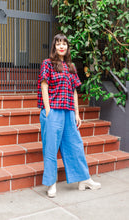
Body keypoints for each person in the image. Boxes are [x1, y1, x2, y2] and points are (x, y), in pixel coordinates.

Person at [37, 34, 101, 198]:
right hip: (53, 111)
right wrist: (48, 110)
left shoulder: (71, 66)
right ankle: (51, 184)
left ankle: (84, 179)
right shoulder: (47, 64)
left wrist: (77, 113)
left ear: (67, 47)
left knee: (75, 145)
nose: (61, 46)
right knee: (51, 148)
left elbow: (73, 91)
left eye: (64, 44)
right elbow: (44, 86)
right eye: (58, 43)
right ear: (54, 46)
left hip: (68, 112)